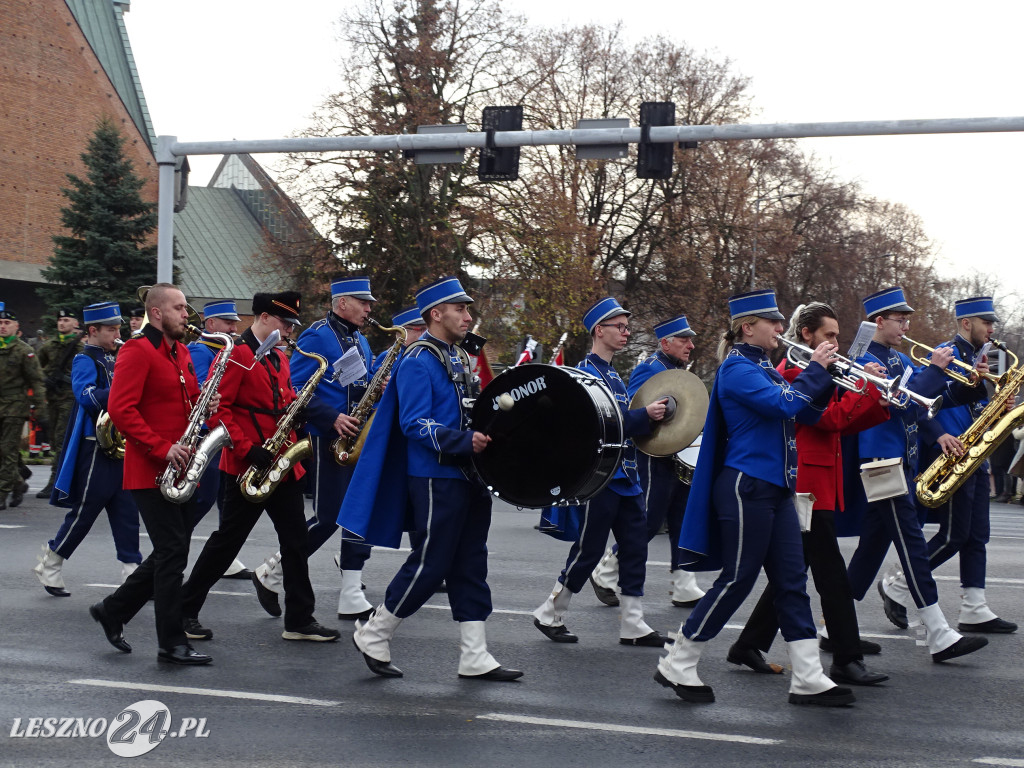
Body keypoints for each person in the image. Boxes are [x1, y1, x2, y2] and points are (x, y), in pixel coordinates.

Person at [655, 288, 855, 707]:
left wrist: (849, 384)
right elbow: (784, 405)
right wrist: (816, 371)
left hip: (778, 488)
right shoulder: (737, 370)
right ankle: (680, 658)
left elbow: (811, 413)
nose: (782, 329)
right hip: (747, 487)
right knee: (738, 579)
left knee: (791, 582)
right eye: (774, 323)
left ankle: (808, 676)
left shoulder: (765, 368)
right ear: (748, 327)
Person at [341, 276, 522, 681]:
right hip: (434, 476)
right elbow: (414, 424)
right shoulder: (418, 360)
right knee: (431, 562)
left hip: (468, 473)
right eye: (461, 310)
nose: (468, 317)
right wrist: (463, 440)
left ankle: (474, 654)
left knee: (471, 562)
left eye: (468, 310)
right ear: (436, 314)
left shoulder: (457, 357)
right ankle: (375, 631)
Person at [726, 302, 890, 686]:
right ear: (807, 335)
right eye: (829, 335)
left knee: (794, 570)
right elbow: (826, 418)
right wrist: (864, 388)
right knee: (831, 573)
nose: (836, 342)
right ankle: (846, 657)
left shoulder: (823, 372)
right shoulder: (795, 372)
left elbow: (841, 428)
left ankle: (749, 643)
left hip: (822, 481)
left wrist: (876, 401)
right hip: (805, 485)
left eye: (837, 335)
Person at [180, 292, 339, 645]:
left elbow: (279, 403)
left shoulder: (278, 358)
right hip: (246, 464)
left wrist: (295, 410)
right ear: (264, 318)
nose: (288, 332)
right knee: (226, 543)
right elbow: (219, 410)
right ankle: (184, 609)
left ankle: (299, 618)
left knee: (296, 542)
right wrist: (246, 448)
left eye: (291, 326)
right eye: (285, 324)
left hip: (279, 463)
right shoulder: (236, 355)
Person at [845, 286, 989, 662]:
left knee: (870, 551)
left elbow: (929, 404)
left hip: (899, 462)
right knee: (911, 546)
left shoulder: (896, 358)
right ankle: (939, 633)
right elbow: (901, 404)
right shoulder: (863, 359)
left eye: (906, 318)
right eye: (900, 319)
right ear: (880, 321)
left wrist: (972, 384)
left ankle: (834, 626)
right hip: (880, 463)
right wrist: (935, 369)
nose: (906, 325)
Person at [88, 283, 213, 666]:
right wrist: (162, 447)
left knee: (169, 550)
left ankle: (113, 609)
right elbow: (122, 410)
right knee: (173, 550)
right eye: (179, 308)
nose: (186, 315)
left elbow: (187, 397)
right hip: (149, 470)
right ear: (156, 313)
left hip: (179, 467)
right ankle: (171, 644)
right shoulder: (136, 351)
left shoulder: (179, 352)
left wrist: (208, 399)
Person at [533, 297, 668, 647]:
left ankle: (633, 623)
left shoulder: (614, 377)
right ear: (599, 331)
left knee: (636, 546)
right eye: (619, 327)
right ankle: (550, 611)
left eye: (627, 328)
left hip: (626, 476)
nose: (626, 333)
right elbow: (593, 422)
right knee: (589, 549)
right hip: (599, 476)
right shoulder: (583, 374)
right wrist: (643, 416)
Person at [251, 277, 377, 621]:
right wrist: (331, 417)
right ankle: (272, 571)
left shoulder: (361, 340)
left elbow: (361, 383)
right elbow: (295, 387)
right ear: (341, 303)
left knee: (352, 513)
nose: (369, 309)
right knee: (328, 515)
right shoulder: (318, 335)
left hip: (353, 438)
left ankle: (349, 589)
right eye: (363, 302)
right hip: (325, 435)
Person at [895, 296, 1015, 633]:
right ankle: (898, 585)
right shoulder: (944, 354)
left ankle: (975, 606)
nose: (992, 329)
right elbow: (919, 403)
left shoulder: (983, 360)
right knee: (953, 536)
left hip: (975, 451)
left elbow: (977, 408)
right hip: (951, 454)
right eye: (985, 323)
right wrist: (938, 435)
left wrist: (999, 410)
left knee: (978, 536)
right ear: (966, 323)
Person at [589, 313, 706, 610]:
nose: (690, 345)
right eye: (684, 339)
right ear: (665, 342)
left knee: (682, 519)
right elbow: (629, 410)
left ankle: (684, 584)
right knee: (650, 519)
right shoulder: (649, 370)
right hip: (653, 457)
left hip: (678, 456)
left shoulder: (676, 369)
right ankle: (606, 570)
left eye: (690, 339)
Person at [32, 302, 141, 596]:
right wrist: (125, 388)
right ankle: (52, 561)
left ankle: (132, 571)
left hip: (119, 445)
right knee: (86, 511)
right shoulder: (85, 359)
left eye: (118, 328)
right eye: (111, 329)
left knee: (127, 510)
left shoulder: (115, 358)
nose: (117, 334)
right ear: (93, 331)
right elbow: (88, 398)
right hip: (94, 447)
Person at [186, 300, 250, 580]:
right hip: (203, 435)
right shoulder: (199, 351)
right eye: (228, 323)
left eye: (235, 322)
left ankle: (227, 556)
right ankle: (172, 550)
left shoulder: (229, 350)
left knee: (227, 501)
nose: (235, 328)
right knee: (203, 498)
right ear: (210, 325)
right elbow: (200, 390)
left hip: (225, 434)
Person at [0, 305, 45, 510]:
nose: (3, 327)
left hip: (14, 407)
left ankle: (2, 493)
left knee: (7, 450)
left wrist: (40, 409)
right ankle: (18, 483)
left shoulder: (24, 351)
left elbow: (36, 381)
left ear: (16, 326)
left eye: (7, 323)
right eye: (0, 323)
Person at [36, 308, 83, 498]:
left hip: (70, 399)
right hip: (53, 398)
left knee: (62, 438)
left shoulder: (80, 348)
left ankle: (55, 482)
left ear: (75, 324)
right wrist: (45, 379)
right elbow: (36, 369)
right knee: (55, 440)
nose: (62, 323)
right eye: (60, 320)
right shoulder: (49, 346)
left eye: (66, 320)